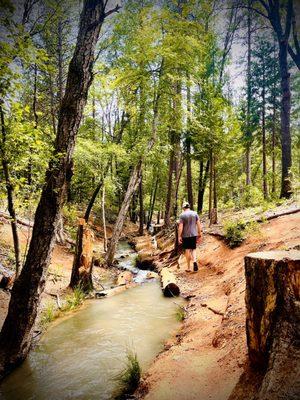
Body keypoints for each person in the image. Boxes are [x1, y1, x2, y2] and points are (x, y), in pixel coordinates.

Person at [178, 202, 202, 272]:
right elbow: (198, 224)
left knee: (187, 250)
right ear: (189, 206)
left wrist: (179, 236)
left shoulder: (182, 215)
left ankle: (188, 267)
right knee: (193, 249)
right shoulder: (195, 213)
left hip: (185, 235)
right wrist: (199, 233)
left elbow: (180, 227)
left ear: (183, 208)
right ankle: (194, 261)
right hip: (194, 234)